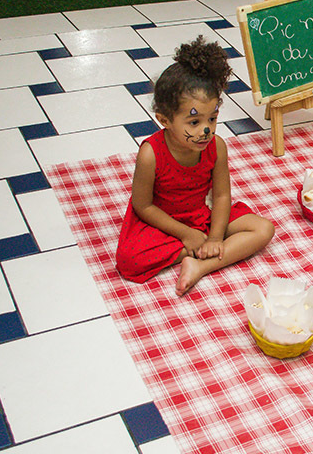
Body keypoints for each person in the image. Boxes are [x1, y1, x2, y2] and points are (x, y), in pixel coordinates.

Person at [115, 36, 274, 295]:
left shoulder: (217, 146)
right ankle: (200, 251)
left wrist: (214, 236)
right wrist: (186, 234)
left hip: (203, 216)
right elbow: (142, 205)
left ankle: (199, 266)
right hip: (163, 221)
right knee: (129, 260)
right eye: (194, 122)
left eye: (212, 118)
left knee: (264, 229)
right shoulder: (150, 154)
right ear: (165, 120)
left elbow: (222, 196)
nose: (206, 130)